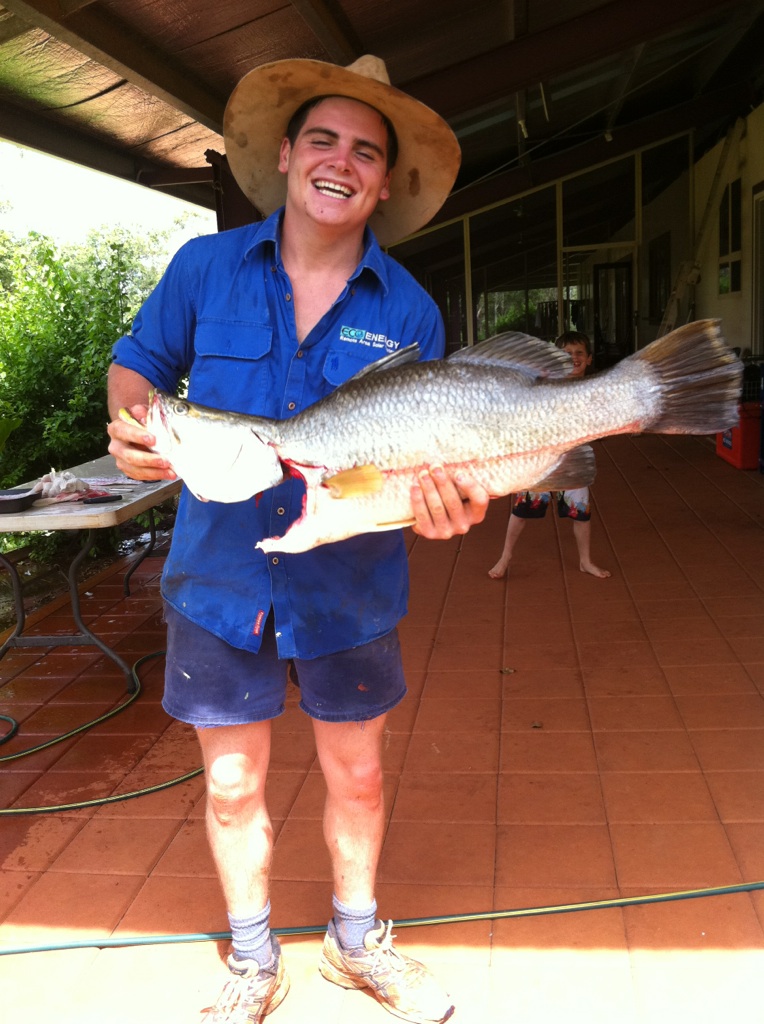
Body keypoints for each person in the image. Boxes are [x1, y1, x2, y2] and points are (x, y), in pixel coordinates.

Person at [106, 55, 489, 1024]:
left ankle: (356, 943)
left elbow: (430, 452)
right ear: (284, 153)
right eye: (322, 138)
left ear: (383, 182)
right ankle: (249, 957)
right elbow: (136, 368)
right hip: (217, 578)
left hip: (350, 586)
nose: (339, 161)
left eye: (365, 151)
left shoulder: (405, 309)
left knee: (355, 771)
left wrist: (448, 504)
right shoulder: (204, 269)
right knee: (232, 785)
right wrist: (133, 433)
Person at [488, 331, 611, 581]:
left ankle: (585, 561)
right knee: (521, 511)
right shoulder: (545, 384)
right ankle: (505, 557)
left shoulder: (593, 388)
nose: (574, 358)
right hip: (541, 461)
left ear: (588, 359)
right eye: (567, 354)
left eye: (579, 353)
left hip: (573, 461)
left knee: (582, 514)